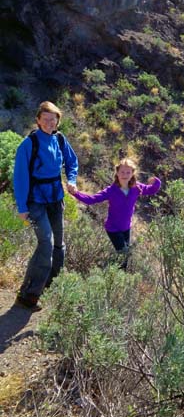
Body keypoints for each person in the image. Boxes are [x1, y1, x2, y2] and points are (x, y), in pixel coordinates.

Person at [13, 100, 78, 311]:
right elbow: (20, 177)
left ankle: (50, 285)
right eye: (46, 119)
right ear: (38, 120)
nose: (50, 122)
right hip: (35, 201)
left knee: (59, 243)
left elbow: (71, 161)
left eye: (54, 119)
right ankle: (28, 295)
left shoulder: (59, 139)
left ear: (58, 120)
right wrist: (22, 207)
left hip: (55, 198)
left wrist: (72, 179)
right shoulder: (29, 144)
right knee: (46, 244)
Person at [67, 158, 160, 267]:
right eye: (122, 172)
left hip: (126, 228)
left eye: (128, 172)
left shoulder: (137, 188)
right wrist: (75, 193)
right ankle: (114, 277)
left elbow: (152, 189)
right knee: (124, 255)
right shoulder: (111, 191)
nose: (125, 175)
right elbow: (91, 199)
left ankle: (112, 273)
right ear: (117, 173)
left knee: (124, 256)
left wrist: (156, 181)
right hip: (113, 228)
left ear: (132, 174)